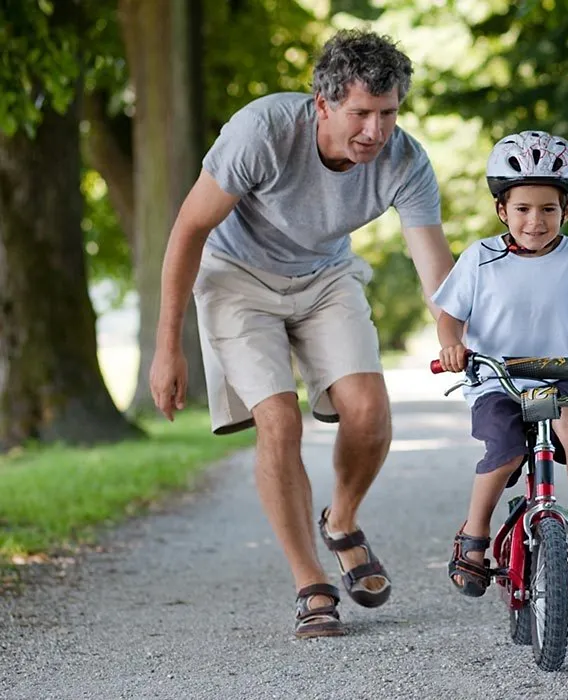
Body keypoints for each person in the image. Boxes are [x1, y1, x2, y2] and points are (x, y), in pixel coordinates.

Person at [148, 29, 454, 638]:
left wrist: (453, 336)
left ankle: (341, 522)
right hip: (236, 279)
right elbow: (188, 230)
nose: (375, 131)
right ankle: (310, 582)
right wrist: (166, 347)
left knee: (368, 410)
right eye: (360, 114)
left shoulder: (405, 160)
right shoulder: (261, 132)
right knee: (279, 420)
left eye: (388, 113)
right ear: (322, 104)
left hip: (323, 277)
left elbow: (434, 265)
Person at [432, 130, 568, 597]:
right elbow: (449, 318)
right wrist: (451, 346)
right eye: (523, 209)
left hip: (557, 377)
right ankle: (474, 536)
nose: (535, 220)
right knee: (505, 450)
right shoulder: (480, 258)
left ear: (566, 210)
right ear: (502, 210)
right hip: (496, 378)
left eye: (548, 209)